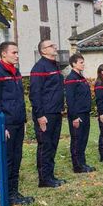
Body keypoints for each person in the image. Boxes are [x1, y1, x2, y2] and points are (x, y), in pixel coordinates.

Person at [0, 42, 34, 206]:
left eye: (17, 52)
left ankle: (14, 192)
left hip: (18, 122)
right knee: (7, 159)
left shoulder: (16, 73)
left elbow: (19, 99)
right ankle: (5, 194)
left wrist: (24, 120)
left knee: (17, 158)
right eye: (14, 52)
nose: (17, 55)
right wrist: (2, 126)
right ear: (3, 54)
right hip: (7, 124)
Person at [29, 39, 65, 188]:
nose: (55, 47)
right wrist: (40, 115)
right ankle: (44, 179)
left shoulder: (54, 66)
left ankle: (50, 175)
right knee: (45, 145)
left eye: (54, 45)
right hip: (45, 114)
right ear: (43, 51)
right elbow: (35, 93)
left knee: (53, 145)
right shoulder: (39, 68)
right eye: (51, 46)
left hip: (56, 112)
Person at [65, 53, 95, 173]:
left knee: (83, 139)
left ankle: (82, 163)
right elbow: (70, 99)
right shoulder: (71, 78)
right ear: (73, 64)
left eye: (83, 62)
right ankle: (77, 166)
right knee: (77, 140)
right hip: (77, 114)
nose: (83, 64)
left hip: (85, 112)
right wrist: (74, 117)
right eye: (81, 62)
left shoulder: (80, 77)